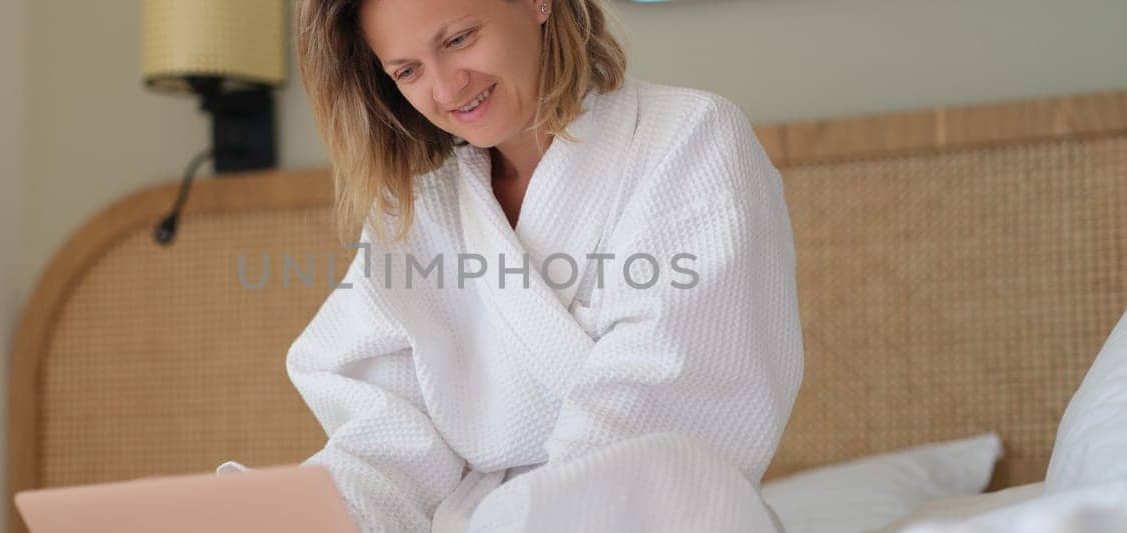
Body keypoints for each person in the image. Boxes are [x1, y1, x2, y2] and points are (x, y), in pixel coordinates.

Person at [286, 0, 803, 530]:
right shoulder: (419, 211)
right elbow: (387, 446)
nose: (445, 89)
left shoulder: (688, 136)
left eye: (459, 39)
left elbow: (662, 412)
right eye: (408, 71)